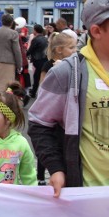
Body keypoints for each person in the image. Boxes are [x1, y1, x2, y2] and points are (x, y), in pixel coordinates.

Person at [29, 0, 109, 198]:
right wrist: (56, 168)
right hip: (92, 199)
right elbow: (39, 124)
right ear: (97, 31)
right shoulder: (67, 73)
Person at [32, 31, 77, 185]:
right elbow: (43, 85)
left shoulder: (75, 67)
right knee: (49, 147)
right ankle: (40, 177)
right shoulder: (50, 65)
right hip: (52, 114)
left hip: (66, 116)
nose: (75, 51)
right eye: (71, 48)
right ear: (59, 50)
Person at [26, 24, 48, 98]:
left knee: (36, 77)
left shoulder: (36, 39)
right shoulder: (45, 39)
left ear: (35, 31)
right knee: (41, 76)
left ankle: (34, 92)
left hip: (38, 60)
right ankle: (35, 91)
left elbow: (30, 50)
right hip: (45, 59)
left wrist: (24, 55)